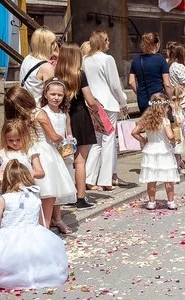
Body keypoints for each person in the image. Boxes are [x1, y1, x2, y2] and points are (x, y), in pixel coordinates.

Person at [0, 159, 69, 290]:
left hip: (9, 238)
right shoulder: (35, 197)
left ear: (6, 180)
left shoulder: (3, 199)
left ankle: (12, 276)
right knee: (33, 254)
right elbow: (41, 223)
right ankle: (38, 274)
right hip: (35, 234)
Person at [5, 86, 74, 229]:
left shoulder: (16, 118)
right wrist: (63, 138)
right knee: (48, 193)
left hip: (26, 152)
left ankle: (32, 224)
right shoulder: (39, 114)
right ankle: (46, 225)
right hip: (45, 153)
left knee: (32, 192)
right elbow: (53, 137)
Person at [54, 44, 99, 209]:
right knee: (80, 160)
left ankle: (66, 196)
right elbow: (90, 99)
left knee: (64, 159)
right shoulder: (79, 75)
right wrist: (96, 108)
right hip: (80, 116)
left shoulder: (56, 75)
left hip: (62, 118)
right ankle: (80, 197)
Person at [83, 31, 128, 191]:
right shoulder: (107, 59)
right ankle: (105, 178)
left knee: (97, 140)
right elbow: (115, 85)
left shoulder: (85, 59)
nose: (109, 43)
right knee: (108, 141)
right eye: (107, 40)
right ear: (102, 42)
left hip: (93, 101)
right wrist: (123, 101)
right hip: (107, 102)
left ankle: (88, 177)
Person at [36, 79, 75, 233]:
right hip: (48, 153)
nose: (56, 97)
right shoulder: (43, 112)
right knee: (49, 187)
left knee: (59, 187)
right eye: (52, 94)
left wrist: (70, 141)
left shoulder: (63, 113)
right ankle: (45, 219)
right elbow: (51, 136)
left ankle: (57, 218)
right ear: (46, 94)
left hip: (62, 153)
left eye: (59, 95)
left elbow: (68, 130)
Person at [132, 93, 180, 210]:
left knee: (151, 179)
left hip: (151, 149)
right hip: (163, 150)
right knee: (168, 178)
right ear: (163, 107)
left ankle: (151, 202)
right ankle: (170, 201)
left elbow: (134, 132)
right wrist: (174, 140)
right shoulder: (165, 121)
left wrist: (144, 140)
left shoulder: (146, 120)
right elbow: (169, 136)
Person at [129, 32, 171, 114]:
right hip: (158, 99)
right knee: (160, 124)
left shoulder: (136, 60)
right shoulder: (161, 60)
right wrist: (170, 100)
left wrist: (140, 92)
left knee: (147, 124)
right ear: (157, 44)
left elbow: (131, 82)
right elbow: (167, 84)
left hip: (142, 100)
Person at [19, 28, 58, 102]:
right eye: (52, 43)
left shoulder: (27, 58)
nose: (55, 45)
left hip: (26, 105)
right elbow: (51, 96)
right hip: (39, 109)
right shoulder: (47, 67)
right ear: (46, 45)